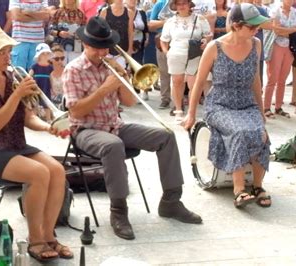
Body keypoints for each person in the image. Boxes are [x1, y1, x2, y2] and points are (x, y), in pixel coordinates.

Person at [63, 16, 202, 240]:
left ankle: (171, 201)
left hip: (114, 125)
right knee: (113, 146)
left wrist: (124, 79)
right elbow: (76, 112)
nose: (102, 53)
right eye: (98, 48)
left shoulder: (110, 65)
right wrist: (103, 89)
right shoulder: (73, 70)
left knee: (165, 136)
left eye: (105, 48)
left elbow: (128, 102)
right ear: (86, 44)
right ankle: (118, 211)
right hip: (86, 130)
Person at [0, 20, 72, 263]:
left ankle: (49, 234)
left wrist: (49, 127)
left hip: (14, 145)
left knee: (57, 170)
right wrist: (17, 94)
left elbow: (28, 117)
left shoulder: (11, 77)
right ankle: (36, 240)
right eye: (1, 51)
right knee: (39, 173)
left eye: (7, 50)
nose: (7, 55)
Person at [182, 3, 272, 208]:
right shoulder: (215, 47)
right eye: (252, 26)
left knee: (261, 132)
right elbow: (199, 82)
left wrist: (261, 110)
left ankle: (258, 186)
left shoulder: (256, 44)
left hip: (246, 103)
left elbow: (255, 80)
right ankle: (239, 190)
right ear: (237, 26)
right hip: (220, 104)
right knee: (239, 132)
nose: (256, 30)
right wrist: (191, 114)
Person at [160, 0, 212, 122]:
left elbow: (208, 35)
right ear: (175, 6)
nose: (182, 6)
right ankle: (178, 110)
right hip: (175, 53)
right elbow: (164, 40)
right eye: (179, 4)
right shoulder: (170, 22)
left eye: (184, 3)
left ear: (189, 5)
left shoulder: (200, 19)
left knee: (193, 84)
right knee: (177, 81)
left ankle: (191, 111)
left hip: (194, 54)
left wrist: (205, 41)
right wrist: (167, 53)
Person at [263, 0, 296, 119]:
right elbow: (276, 30)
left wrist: (286, 31)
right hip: (276, 46)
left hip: (290, 48)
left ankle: (278, 107)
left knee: (283, 79)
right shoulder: (275, 11)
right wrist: (292, 31)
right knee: (272, 78)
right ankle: (266, 107)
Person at [9, 0, 50, 71]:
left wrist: (28, 13)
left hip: (38, 42)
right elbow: (17, 16)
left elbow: (46, 16)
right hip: (19, 41)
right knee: (18, 73)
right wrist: (38, 15)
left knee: (36, 74)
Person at [148, 0, 172, 109]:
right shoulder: (160, 4)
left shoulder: (185, 3)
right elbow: (151, 25)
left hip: (181, 40)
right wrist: (168, 21)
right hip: (162, 40)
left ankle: (180, 101)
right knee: (164, 72)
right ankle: (165, 99)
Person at [29, 43, 54, 122]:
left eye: (47, 54)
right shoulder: (35, 66)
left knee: (47, 103)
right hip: (36, 86)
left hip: (46, 86)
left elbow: (51, 78)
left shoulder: (50, 67)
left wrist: (52, 87)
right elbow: (29, 75)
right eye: (43, 54)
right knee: (35, 103)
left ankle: (48, 119)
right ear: (39, 55)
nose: (45, 55)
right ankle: (34, 119)